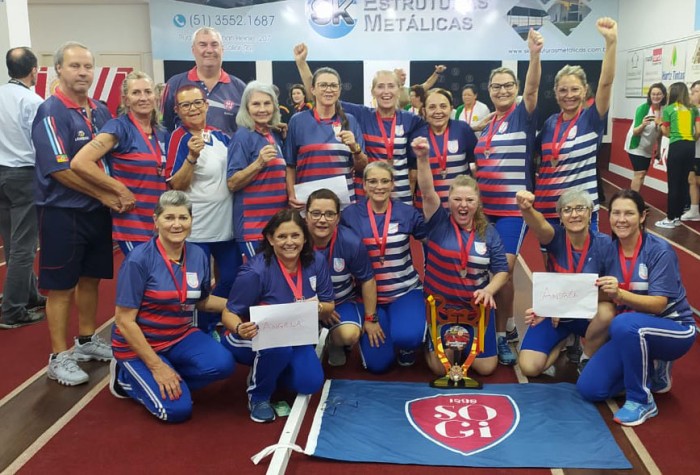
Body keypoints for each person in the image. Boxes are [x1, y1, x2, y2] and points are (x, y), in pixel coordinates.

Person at [32, 41, 120, 385]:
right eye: (75, 66)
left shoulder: (99, 110)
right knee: (60, 287)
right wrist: (107, 192)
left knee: (91, 278)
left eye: (87, 66)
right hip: (61, 212)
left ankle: (86, 340)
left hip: (96, 212)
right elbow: (59, 169)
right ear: (58, 70)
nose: (82, 72)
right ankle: (59, 356)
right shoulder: (51, 111)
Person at [109, 191, 234, 422]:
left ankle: (169, 377)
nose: (177, 224)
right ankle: (125, 378)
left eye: (183, 218)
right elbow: (124, 320)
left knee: (224, 364)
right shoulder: (138, 260)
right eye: (169, 218)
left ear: (191, 221)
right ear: (156, 221)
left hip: (179, 335)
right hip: (141, 343)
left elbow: (201, 300)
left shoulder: (197, 254)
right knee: (176, 411)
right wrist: (157, 367)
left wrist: (239, 306)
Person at [577, 189, 696, 426]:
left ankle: (642, 400)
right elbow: (586, 290)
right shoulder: (607, 250)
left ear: (643, 216)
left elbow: (658, 305)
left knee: (623, 323)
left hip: (674, 328)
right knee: (589, 389)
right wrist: (550, 308)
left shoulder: (659, 251)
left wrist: (619, 293)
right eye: (616, 213)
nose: (621, 219)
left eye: (629, 213)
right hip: (632, 331)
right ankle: (653, 371)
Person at [221, 209, 334, 422]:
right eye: (282, 236)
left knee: (309, 383)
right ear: (270, 239)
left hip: (296, 337)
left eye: (295, 235)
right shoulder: (255, 272)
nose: (289, 242)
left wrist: (316, 307)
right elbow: (228, 313)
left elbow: (329, 306)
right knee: (278, 348)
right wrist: (239, 329)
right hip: (250, 338)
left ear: (304, 237)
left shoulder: (316, 261)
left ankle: (267, 371)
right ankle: (258, 396)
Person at [473, 28, 543, 365]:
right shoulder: (488, 123)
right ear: (489, 90)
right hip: (485, 213)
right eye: (496, 86)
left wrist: (533, 55)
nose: (502, 90)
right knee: (501, 273)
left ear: (515, 90)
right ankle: (510, 324)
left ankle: (500, 337)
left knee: (500, 270)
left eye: (508, 86)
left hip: (513, 212)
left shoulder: (521, 114)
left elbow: (532, 89)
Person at [413, 136, 508, 376]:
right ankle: (432, 339)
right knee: (440, 369)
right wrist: (423, 158)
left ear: (478, 202)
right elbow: (426, 192)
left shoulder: (489, 232)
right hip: (442, 309)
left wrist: (489, 290)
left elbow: (501, 271)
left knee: (486, 368)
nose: (463, 205)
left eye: (469, 200)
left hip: (475, 310)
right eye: (457, 199)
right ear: (449, 201)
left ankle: (464, 341)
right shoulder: (439, 222)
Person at [293, 43, 421, 204]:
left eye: (391, 86)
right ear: (373, 91)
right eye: (380, 86)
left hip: (401, 195)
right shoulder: (362, 115)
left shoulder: (412, 120)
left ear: (399, 89)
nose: (386, 92)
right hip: (367, 197)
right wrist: (301, 63)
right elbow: (322, 94)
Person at [165, 84, 242, 334]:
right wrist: (191, 158)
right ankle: (198, 331)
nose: (193, 109)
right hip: (197, 230)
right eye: (186, 105)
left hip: (226, 228)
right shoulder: (180, 137)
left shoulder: (220, 136)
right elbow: (175, 186)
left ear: (206, 105)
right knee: (197, 288)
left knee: (230, 279)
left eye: (197, 102)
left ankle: (209, 325)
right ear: (178, 110)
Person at [340, 161, 427, 372]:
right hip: (368, 298)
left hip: (405, 291)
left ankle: (408, 344)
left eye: (384, 181)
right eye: (373, 181)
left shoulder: (407, 213)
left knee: (408, 336)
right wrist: (370, 317)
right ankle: (380, 331)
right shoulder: (350, 215)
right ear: (364, 185)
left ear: (392, 185)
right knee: (377, 365)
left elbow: (432, 243)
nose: (379, 186)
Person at [534, 18, 618, 232]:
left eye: (574, 90)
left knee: (585, 265)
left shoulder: (592, 119)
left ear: (584, 91)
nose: (568, 95)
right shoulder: (550, 123)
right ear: (555, 93)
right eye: (563, 90)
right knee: (551, 265)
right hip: (547, 208)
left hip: (581, 210)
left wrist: (611, 43)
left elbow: (606, 82)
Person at [516, 189, 612, 377]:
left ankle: (587, 356)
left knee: (607, 312)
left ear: (590, 212)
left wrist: (567, 303)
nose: (574, 214)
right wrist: (527, 209)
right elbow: (539, 224)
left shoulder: (605, 245)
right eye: (567, 210)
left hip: (588, 316)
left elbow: (610, 293)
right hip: (555, 315)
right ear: (560, 216)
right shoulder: (555, 237)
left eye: (580, 208)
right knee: (529, 367)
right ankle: (565, 340)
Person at [72, 71, 168, 254]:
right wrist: (120, 189)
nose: (143, 98)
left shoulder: (161, 133)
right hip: (133, 224)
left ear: (155, 96)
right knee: (146, 278)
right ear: (125, 100)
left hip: (159, 222)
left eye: (147, 92)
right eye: (136, 93)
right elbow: (80, 162)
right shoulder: (119, 127)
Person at [0, 47, 46, 328]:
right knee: (25, 246)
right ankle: (13, 310)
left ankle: (28, 294)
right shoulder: (33, 101)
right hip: (23, 175)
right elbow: (40, 143)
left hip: (0, 174)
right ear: (34, 70)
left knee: (10, 241)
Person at [305, 188, 378, 367]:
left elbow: (367, 279)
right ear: (305, 215)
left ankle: (334, 340)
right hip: (303, 305)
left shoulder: (350, 242)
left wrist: (370, 318)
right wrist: (320, 309)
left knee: (349, 335)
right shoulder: (295, 241)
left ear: (338, 218)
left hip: (340, 302)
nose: (322, 220)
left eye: (329, 214)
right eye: (316, 214)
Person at [284, 65, 366, 209]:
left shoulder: (350, 120)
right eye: (323, 85)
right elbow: (290, 165)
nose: (329, 90)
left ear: (339, 90)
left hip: (344, 206)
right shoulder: (297, 121)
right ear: (313, 89)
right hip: (308, 205)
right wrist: (291, 194)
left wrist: (355, 149)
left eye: (333, 85)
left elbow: (363, 167)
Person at [227, 81, 289, 259]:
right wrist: (259, 163)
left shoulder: (273, 134)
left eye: (267, 103)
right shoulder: (243, 136)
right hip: (253, 229)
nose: (262, 109)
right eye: (256, 104)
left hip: (276, 228)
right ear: (246, 108)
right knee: (259, 281)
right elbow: (232, 183)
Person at [161, 27, 246, 135]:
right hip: (187, 152)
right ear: (193, 50)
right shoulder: (174, 84)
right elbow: (163, 128)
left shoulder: (240, 88)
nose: (209, 50)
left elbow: (248, 132)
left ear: (222, 50)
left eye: (214, 45)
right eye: (203, 45)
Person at [413, 88, 477, 210]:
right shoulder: (417, 136)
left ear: (451, 109)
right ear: (424, 111)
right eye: (432, 107)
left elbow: (475, 165)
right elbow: (413, 175)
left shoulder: (463, 130)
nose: (438, 111)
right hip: (428, 210)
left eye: (443, 106)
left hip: (461, 208)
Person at [656, 82, 700, 228]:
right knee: (683, 183)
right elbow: (698, 131)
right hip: (690, 146)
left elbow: (666, 132)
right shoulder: (693, 109)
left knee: (673, 182)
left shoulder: (668, 109)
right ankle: (678, 216)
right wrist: (690, 139)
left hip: (677, 146)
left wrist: (660, 124)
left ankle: (670, 218)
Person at [624, 83, 667, 193]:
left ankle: (635, 198)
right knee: (640, 173)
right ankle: (633, 201)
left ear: (663, 96)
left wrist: (659, 147)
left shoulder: (664, 110)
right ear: (649, 95)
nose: (655, 97)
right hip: (636, 144)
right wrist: (643, 124)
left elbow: (660, 132)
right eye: (653, 94)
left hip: (648, 147)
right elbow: (635, 132)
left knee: (642, 175)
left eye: (658, 94)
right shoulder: (643, 109)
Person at [682, 80, 700, 221]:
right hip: (692, 152)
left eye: (696, 92)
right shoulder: (689, 110)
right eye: (692, 92)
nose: (693, 95)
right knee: (691, 180)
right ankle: (694, 211)